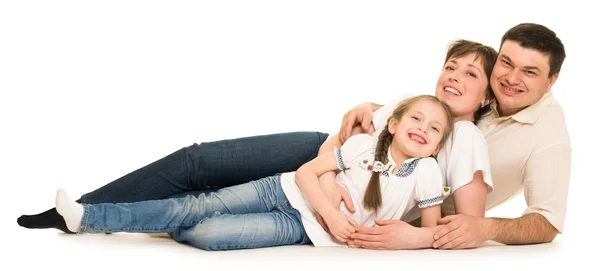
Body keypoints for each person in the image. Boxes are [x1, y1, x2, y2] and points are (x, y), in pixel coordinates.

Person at [18, 38, 498, 246]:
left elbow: (467, 224)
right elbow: (346, 138)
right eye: (450, 66)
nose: (453, 77)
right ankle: (85, 209)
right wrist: (327, 179)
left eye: (470, 73)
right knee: (200, 160)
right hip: (322, 164)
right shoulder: (410, 107)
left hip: (339, 200)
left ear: (485, 94)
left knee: (208, 208)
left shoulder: (467, 138)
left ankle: (108, 215)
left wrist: (409, 235)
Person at [52, 95, 454, 250]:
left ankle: (170, 222)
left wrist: (406, 239)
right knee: (197, 205)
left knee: (207, 232)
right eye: (416, 118)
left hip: (301, 229)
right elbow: (304, 174)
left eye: (434, 128)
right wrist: (332, 215)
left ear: (437, 145)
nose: (423, 128)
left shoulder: (427, 173)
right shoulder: (364, 146)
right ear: (394, 123)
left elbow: (431, 231)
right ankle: (88, 217)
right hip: (277, 191)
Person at [345, 23, 570, 250]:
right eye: (506, 63)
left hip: (371, 205)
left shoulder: (548, 134)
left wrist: (485, 228)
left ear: (551, 80)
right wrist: (374, 109)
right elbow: (430, 117)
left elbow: (547, 221)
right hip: (349, 163)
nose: (511, 79)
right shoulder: (489, 92)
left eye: (529, 72)